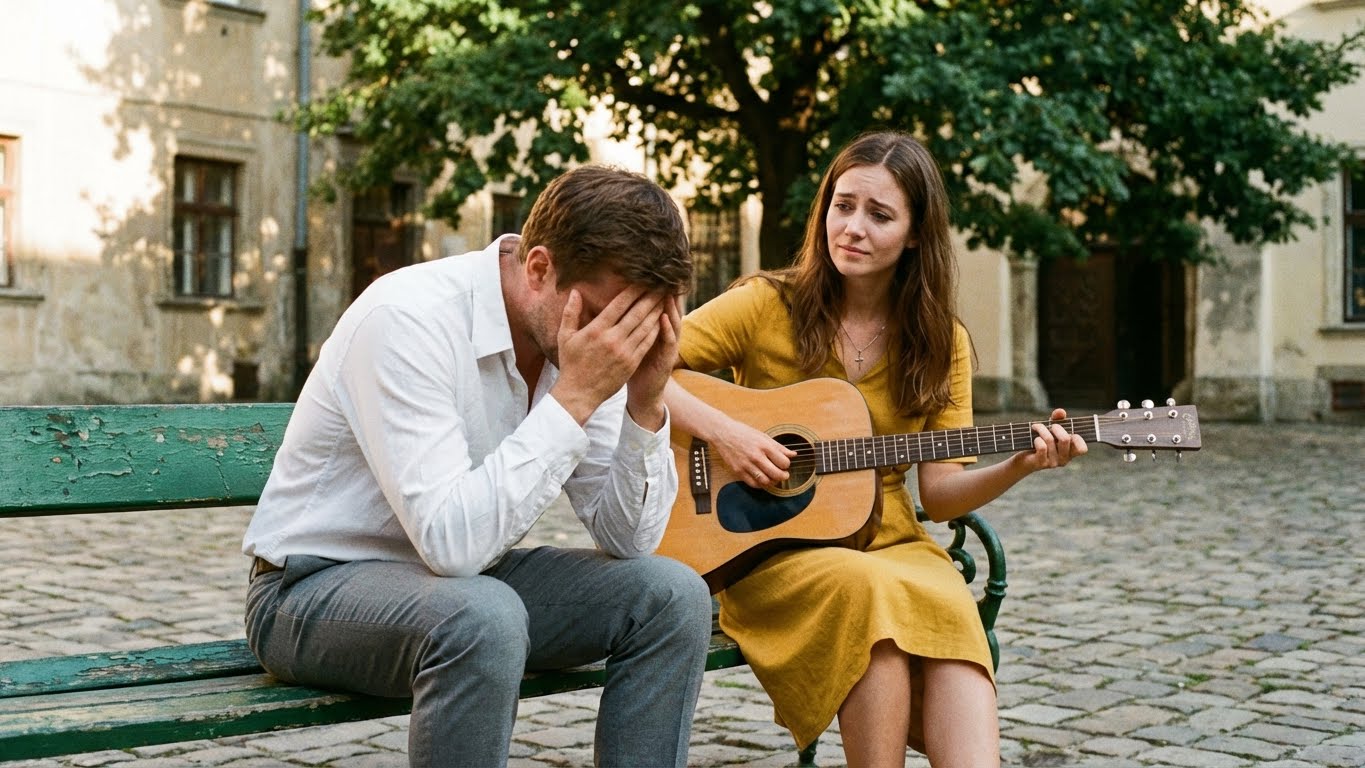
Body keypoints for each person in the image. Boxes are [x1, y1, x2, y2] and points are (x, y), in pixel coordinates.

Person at [242, 164, 714, 768]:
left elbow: (629, 538)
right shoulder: (408, 318)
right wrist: (574, 398)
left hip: (463, 589)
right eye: (602, 314)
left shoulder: (581, 337)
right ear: (539, 269)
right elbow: (451, 544)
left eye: (635, 323)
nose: (615, 340)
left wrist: (645, 403)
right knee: (482, 617)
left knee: (672, 596)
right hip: (309, 590)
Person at [664, 131, 1088, 767]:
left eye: (879, 215)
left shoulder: (940, 342)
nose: (852, 228)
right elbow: (641, 367)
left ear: (916, 234)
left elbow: (940, 497)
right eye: (843, 206)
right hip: (771, 547)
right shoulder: (764, 304)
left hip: (890, 539)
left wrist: (1021, 463)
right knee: (869, 596)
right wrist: (729, 432)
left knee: (944, 603)